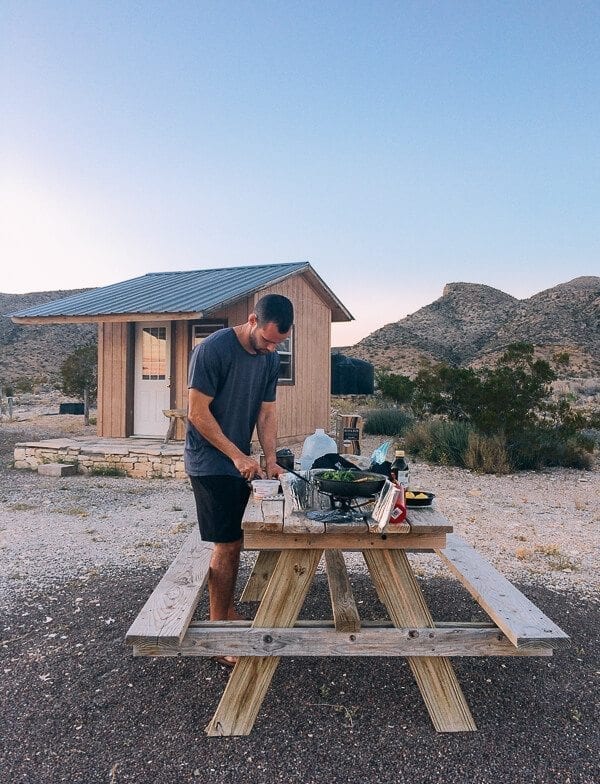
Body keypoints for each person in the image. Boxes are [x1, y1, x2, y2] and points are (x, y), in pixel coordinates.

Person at [184, 294, 293, 666]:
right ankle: (219, 635)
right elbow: (197, 413)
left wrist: (272, 459)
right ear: (251, 320)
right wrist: (236, 455)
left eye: (278, 343)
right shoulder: (212, 350)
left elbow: (266, 414)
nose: (270, 349)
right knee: (227, 544)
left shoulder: (270, 358)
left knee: (238, 537)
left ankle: (226, 611)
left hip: (239, 462)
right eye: (266, 340)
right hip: (209, 462)